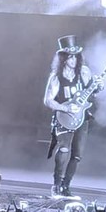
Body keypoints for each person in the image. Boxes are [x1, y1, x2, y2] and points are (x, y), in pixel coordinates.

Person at [43, 35, 97, 197]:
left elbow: (92, 93)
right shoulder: (56, 77)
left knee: (77, 155)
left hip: (82, 118)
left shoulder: (84, 72)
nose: (73, 60)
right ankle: (56, 185)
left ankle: (66, 186)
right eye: (70, 57)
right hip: (63, 119)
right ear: (63, 58)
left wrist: (99, 87)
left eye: (76, 56)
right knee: (63, 150)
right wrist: (65, 108)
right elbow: (48, 100)